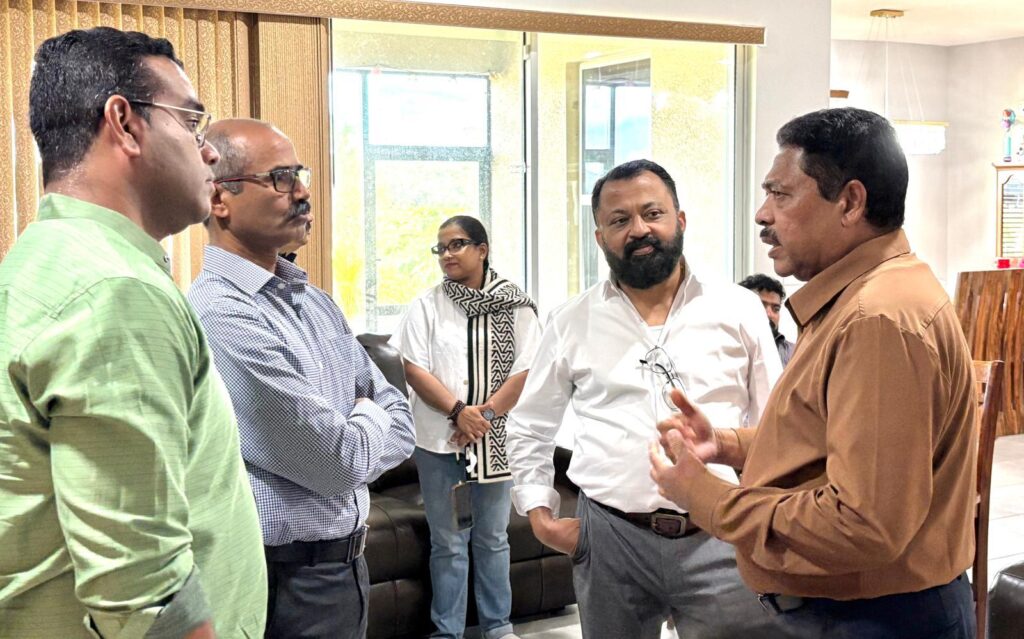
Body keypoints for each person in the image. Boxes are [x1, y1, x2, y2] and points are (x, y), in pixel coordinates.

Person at [650, 107, 978, 638]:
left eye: (780, 195)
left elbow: (863, 523)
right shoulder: (861, 299)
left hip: (875, 620)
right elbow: (831, 442)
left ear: (849, 202)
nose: (762, 214)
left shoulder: (876, 319)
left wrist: (705, 497)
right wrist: (728, 445)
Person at [0, 28, 266, 638]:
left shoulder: (46, 261)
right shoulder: (114, 290)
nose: (209, 153)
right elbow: (144, 594)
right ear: (124, 122)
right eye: (191, 123)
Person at [506, 159, 784, 638]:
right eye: (620, 220)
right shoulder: (571, 320)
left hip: (721, 532)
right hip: (611, 540)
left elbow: (777, 426)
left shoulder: (738, 309)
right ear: (600, 238)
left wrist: (766, 520)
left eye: (652, 213)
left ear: (680, 220)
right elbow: (530, 424)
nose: (639, 229)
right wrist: (541, 516)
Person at [186, 118, 415, 639]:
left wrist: (362, 421)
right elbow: (337, 462)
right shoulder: (220, 313)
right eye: (281, 178)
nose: (303, 192)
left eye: (300, 174)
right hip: (281, 581)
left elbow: (402, 421)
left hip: (346, 567)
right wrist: (367, 414)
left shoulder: (314, 302)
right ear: (220, 198)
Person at [390, 215, 540, 639]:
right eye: (441, 248)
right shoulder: (427, 305)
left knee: (492, 538)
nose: (447, 255)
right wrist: (459, 411)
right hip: (438, 441)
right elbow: (414, 369)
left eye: (456, 244)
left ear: (482, 249)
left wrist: (483, 417)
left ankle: (498, 627)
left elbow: (527, 370)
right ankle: (448, 632)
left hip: (494, 440)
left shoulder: (516, 305)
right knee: (449, 543)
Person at [738, 273, 795, 366]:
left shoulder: (793, 354)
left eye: (776, 309)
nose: (769, 314)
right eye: (760, 306)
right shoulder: (727, 348)